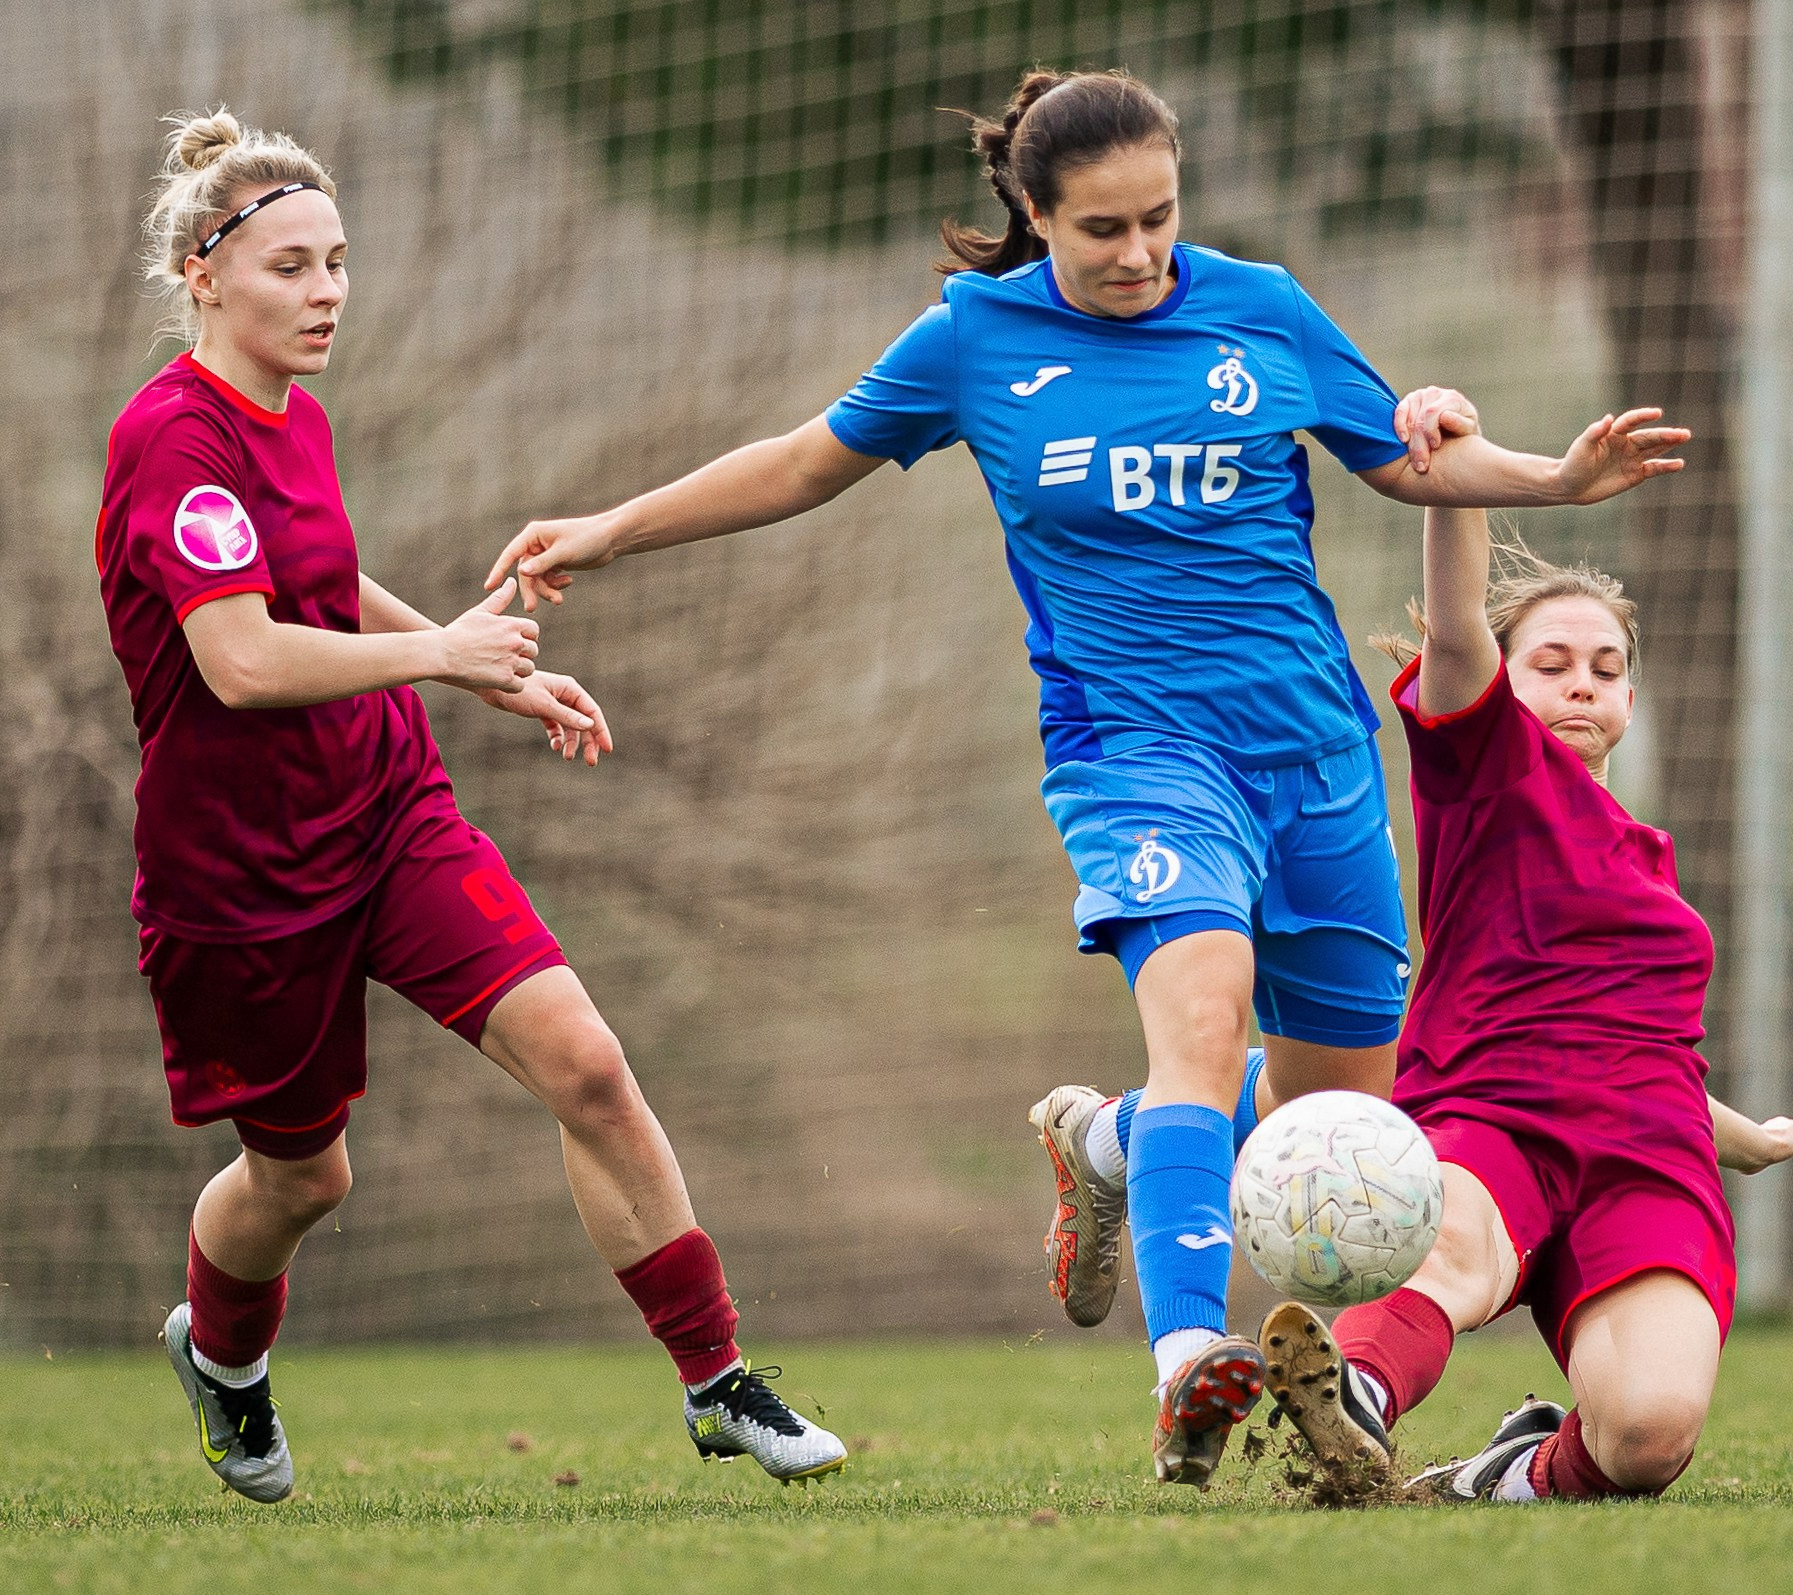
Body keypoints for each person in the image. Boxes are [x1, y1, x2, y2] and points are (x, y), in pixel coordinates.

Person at [483, 70, 1684, 1486]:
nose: (1137, 255)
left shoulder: (1263, 307)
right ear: (1035, 216)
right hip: (1135, 756)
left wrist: (1553, 476)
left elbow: (1410, 463)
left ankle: (1116, 1143)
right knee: (1198, 1013)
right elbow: (806, 463)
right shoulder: (976, 338)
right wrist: (610, 531)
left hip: (1314, 758)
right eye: (1101, 229)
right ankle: (1189, 1362)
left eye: (1159, 220)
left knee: (1337, 1111)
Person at [99, 110, 845, 1503]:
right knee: (305, 1181)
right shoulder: (170, 443)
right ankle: (226, 1354)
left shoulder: (296, 418)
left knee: (587, 1060)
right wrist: (442, 653)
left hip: (386, 808)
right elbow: (244, 655)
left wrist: (469, 663)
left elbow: (319, 581)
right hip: (238, 874)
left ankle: (717, 1379)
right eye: (289, 268)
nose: (324, 294)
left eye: (336, 263)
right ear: (204, 274)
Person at [1252, 387, 1793, 1503]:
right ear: (1504, 684)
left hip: (1644, 1151)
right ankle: (1350, 1401)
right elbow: (1458, 626)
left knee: (1649, 1434)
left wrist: (1731, 1133)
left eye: (1606, 668)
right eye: (1552, 660)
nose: (1581, 682)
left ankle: (1502, 1474)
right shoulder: (1486, 771)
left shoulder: (1646, 860)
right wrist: (1454, 460)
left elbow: (1617, 1037)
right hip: (1491, 1119)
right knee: (1450, 1250)